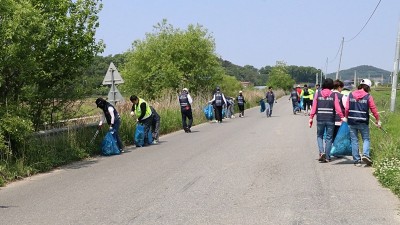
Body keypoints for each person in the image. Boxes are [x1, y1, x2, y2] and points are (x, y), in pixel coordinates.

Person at [345, 79, 381, 166]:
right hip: (363, 121)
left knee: (354, 140)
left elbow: (346, 108)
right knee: (366, 139)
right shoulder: (368, 96)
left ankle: (356, 160)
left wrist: (346, 117)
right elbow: (373, 109)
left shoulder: (351, 94)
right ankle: (365, 155)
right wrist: (377, 120)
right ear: (368, 87)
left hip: (352, 121)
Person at [309, 78, 345, 162]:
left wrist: (311, 117)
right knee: (329, 138)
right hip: (330, 119)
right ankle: (328, 156)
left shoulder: (317, 94)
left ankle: (321, 152)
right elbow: (337, 108)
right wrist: (342, 117)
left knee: (319, 136)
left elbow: (314, 107)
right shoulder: (333, 95)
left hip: (320, 119)